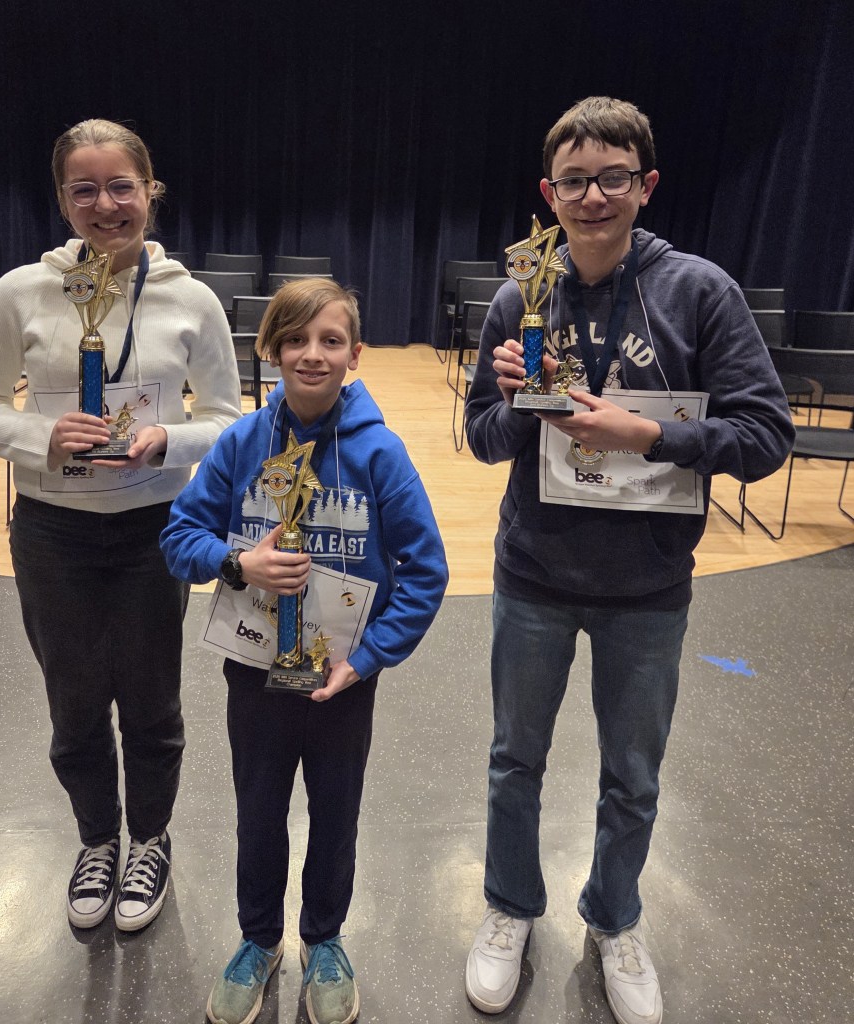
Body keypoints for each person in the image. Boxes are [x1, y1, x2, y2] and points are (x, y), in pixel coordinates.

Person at [463, 97, 794, 1024]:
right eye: (573, 180)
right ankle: (507, 908)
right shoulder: (516, 295)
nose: (592, 195)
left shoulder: (698, 292)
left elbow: (767, 435)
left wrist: (645, 432)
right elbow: (483, 439)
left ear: (645, 185)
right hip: (531, 573)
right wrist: (518, 405)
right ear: (547, 192)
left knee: (632, 778)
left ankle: (613, 918)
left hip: (647, 587)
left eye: (612, 177)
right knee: (511, 760)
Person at [0, 119, 242, 932]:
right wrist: (38, 435)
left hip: (157, 529)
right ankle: (96, 842)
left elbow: (229, 419)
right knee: (74, 704)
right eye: (85, 188)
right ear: (62, 199)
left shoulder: (191, 300)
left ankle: (149, 838)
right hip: (53, 532)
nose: (106, 204)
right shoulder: (19, 291)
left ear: (150, 191)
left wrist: (168, 437)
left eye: (122, 186)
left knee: (151, 704)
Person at [160, 278, 448, 1024]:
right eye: (295, 339)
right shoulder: (240, 444)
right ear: (272, 349)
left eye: (328, 341)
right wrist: (237, 564)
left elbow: (425, 570)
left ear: (354, 354)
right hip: (253, 671)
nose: (311, 355)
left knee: (335, 814)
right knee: (256, 814)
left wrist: (371, 654)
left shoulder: (380, 454)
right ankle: (258, 940)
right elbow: (179, 536)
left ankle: (324, 938)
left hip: (341, 680)